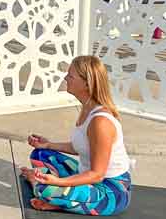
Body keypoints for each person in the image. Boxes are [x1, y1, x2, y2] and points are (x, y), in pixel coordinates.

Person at [22, 56, 132, 215]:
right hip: (86, 176)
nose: (65, 78)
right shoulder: (87, 108)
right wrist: (48, 145)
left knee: (43, 188)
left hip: (110, 192)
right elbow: (81, 147)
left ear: (87, 83)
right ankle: (62, 196)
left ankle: (45, 191)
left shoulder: (100, 122)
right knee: (40, 154)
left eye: (71, 76)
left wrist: (58, 182)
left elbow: (97, 174)